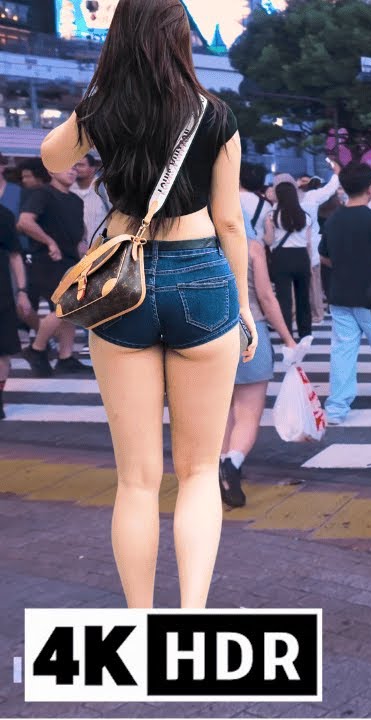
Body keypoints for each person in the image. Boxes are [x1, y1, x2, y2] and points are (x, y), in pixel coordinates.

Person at [39, 0, 249, 608]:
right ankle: (190, 621)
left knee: (135, 480)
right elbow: (231, 222)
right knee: (200, 472)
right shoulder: (216, 114)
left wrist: (99, 94)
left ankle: (139, 626)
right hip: (203, 276)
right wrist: (243, 313)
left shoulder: (104, 110)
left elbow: (54, 159)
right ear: (181, 38)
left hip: (119, 287)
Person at [219, 199, 299, 507]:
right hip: (249, 330)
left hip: (208, 335)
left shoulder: (198, 246)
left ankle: (220, 466)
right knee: (249, 412)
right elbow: (266, 297)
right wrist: (288, 339)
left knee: (221, 411)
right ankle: (233, 463)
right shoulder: (252, 247)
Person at [318, 162, 371, 426]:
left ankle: (336, 408)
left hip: (340, 294)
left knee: (343, 351)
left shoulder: (333, 219)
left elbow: (324, 256)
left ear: (343, 187)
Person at [17, 161, 88, 377]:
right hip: (47, 260)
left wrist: (86, 257)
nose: (72, 171)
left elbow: (78, 235)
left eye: (75, 168)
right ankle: (36, 349)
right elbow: (25, 222)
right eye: (67, 167)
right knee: (63, 308)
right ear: (50, 170)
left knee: (71, 311)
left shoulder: (75, 200)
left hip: (70, 261)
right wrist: (49, 242)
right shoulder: (42, 193)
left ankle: (65, 358)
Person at [263, 181, 315, 340]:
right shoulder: (305, 216)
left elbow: (269, 241)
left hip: (282, 258)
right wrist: (310, 264)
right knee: (303, 299)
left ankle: (287, 337)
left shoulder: (272, 215)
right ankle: (305, 334)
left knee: (284, 299)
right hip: (301, 257)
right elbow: (308, 243)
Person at [0, 203, 28, 420]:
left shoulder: (4, 214)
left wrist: (21, 290)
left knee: (3, 350)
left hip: (2, 295)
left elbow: (15, 255)